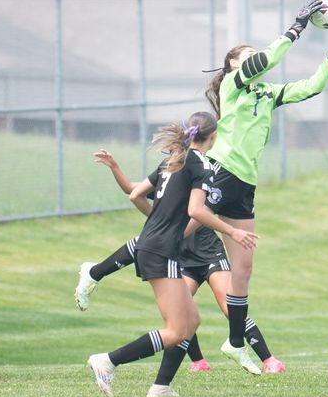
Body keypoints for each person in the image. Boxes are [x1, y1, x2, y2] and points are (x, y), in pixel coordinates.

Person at [203, 0, 328, 372]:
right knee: (176, 231)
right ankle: (102, 268)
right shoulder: (233, 86)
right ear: (232, 66)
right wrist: (297, 26)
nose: (255, 57)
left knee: (244, 269)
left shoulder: (267, 94)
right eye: (247, 55)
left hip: (245, 184)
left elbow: (312, 87)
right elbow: (265, 61)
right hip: (220, 171)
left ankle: (235, 341)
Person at [86, 112, 258, 397]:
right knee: (177, 330)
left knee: (191, 321)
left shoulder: (174, 159)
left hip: (156, 246)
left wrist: (161, 223)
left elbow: (135, 195)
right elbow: (196, 211)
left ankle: (161, 386)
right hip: (161, 251)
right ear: (213, 136)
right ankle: (107, 361)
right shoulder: (201, 164)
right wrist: (233, 231)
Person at [75, 150, 285, 374]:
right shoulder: (171, 185)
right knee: (182, 315)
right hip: (183, 257)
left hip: (210, 254)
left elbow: (208, 206)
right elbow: (132, 190)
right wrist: (115, 167)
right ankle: (195, 363)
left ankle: (268, 359)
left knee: (229, 307)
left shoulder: (202, 182)